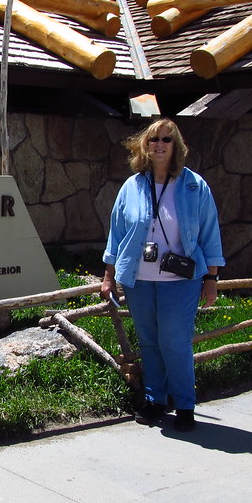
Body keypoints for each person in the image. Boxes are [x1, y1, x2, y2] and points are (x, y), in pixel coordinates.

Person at [101, 118, 224, 432]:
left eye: (166, 140)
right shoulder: (132, 186)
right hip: (140, 278)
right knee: (150, 341)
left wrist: (211, 277)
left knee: (175, 341)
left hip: (180, 278)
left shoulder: (194, 185)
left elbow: (210, 233)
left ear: (176, 146)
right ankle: (156, 399)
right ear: (145, 145)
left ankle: (184, 404)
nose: (159, 145)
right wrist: (108, 275)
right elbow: (116, 233)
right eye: (154, 139)